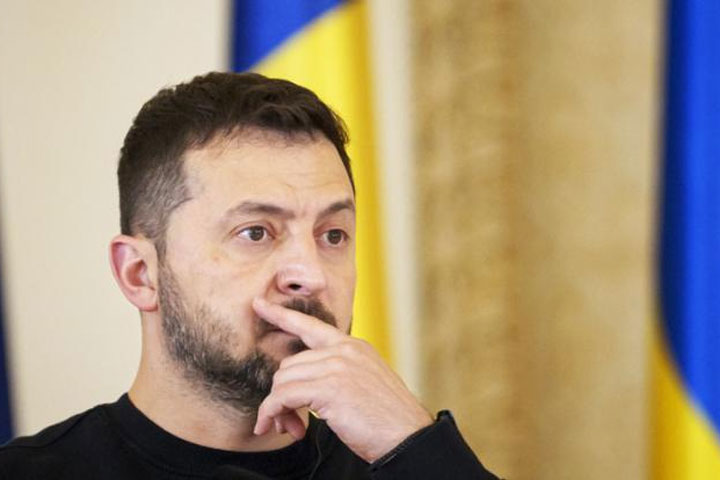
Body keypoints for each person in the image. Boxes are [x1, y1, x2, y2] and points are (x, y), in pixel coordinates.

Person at [0, 72, 498, 479]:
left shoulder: (406, 464)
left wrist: (418, 449)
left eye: (333, 235)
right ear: (140, 274)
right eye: (256, 232)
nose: (310, 275)